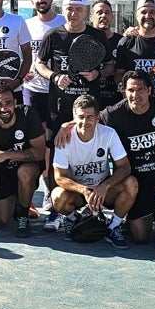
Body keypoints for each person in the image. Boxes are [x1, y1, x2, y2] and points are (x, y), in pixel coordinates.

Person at [33, 0, 110, 230]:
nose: (73, 13)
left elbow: (110, 65)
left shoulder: (96, 36)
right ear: (64, 10)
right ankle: (54, 201)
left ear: (84, 11)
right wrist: (55, 76)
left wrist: (98, 74)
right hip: (59, 109)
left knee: (91, 154)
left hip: (89, 112)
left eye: (77, 9)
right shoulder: (53, 35)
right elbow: (39, 63)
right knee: (54, 153)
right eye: (69, 9)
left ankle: (91, 202)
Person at [99, 70, 155, 244]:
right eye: (131, 90)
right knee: (141, 237)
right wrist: (68, 125)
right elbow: (88, 120)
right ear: (124, 91)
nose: (136, 95)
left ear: (150, 90)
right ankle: (154, 209)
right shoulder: (113, 114)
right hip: (138, 178)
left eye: (141, 89)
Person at [50, 96, 137, 248]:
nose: (85, 122)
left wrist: (105, 186)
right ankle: (73, 219)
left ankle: (113, 226)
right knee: (57, 196)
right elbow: (59, 177)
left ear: (98, 118)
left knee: (132, 183)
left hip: (103, 191)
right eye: (81, 117)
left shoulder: (109, 134)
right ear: (74, 117)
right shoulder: (64, 138)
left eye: (90, 117)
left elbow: (125, 167)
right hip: (78, 192)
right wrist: (83, 189)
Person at [0, 82, 46, 238]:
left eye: (8, 103)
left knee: (25, 172)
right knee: (0, 219)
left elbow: (40, 153)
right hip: (4, 174)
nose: (4, 108)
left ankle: (23, 217)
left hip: (27, 169)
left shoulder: (28, 115)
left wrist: (7, 155)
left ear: (15, 103)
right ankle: (18, 202)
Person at [88, 0, 123, 108]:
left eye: (107, 12)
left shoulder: (122, 42)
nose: (103, 16)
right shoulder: (84, 41)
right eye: (99, 12)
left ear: (112, 16)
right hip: (90, 101)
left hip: (116, 101)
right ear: (91, 17)